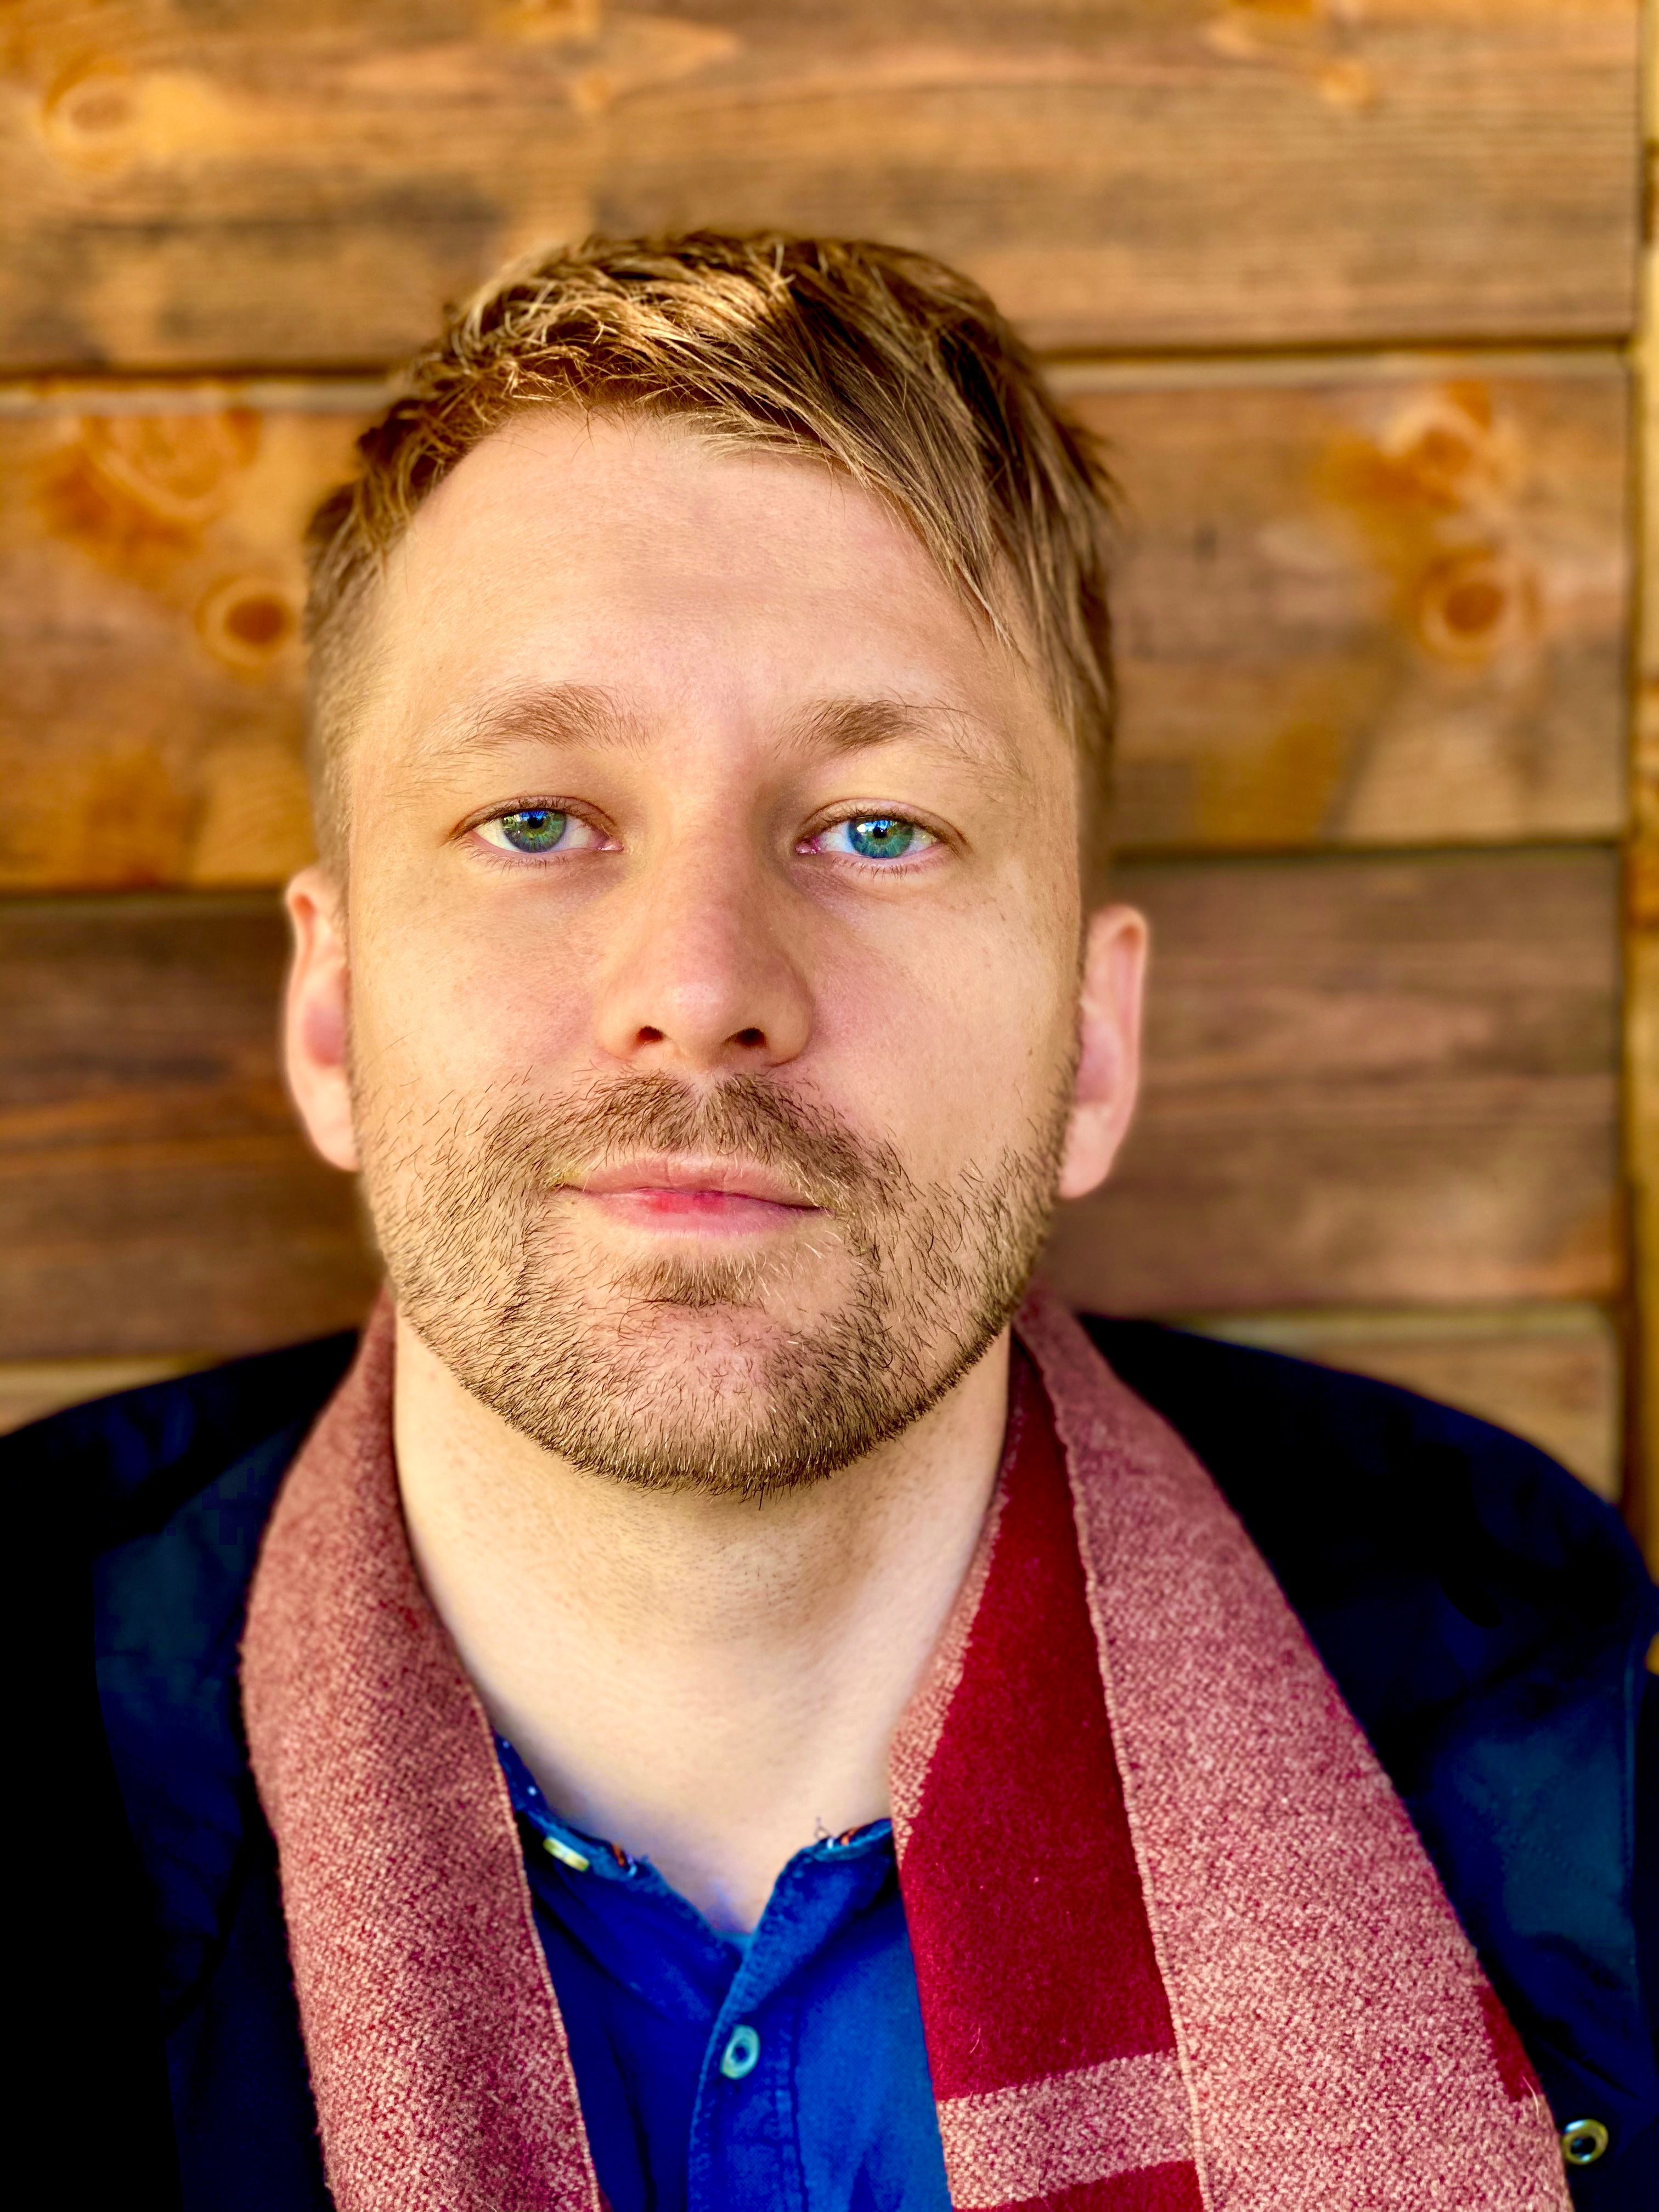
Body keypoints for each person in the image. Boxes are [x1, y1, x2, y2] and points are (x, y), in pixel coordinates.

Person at [12, 233, 1656, 2212]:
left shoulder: (1566, 1783)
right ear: (332, 1013)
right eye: (538, 820)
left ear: (1094, 1043)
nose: (703, 984)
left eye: (878, 827)